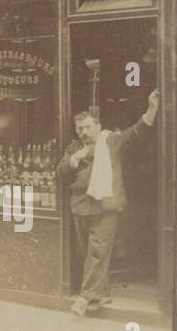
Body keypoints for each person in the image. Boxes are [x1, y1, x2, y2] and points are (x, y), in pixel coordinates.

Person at [57, 88, 159, 316]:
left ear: (98, 126)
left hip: (107, 207)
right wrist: (75, 159)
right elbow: (60, 172)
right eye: (79, 128)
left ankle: (84, 299)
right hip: (81, 207)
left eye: (87, 127)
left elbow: (138, 131)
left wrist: (152, 107)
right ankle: (101, 294)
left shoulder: (111, 141)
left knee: (97, 251)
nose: (83, 131)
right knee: (89, 253)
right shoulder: (73, 148)